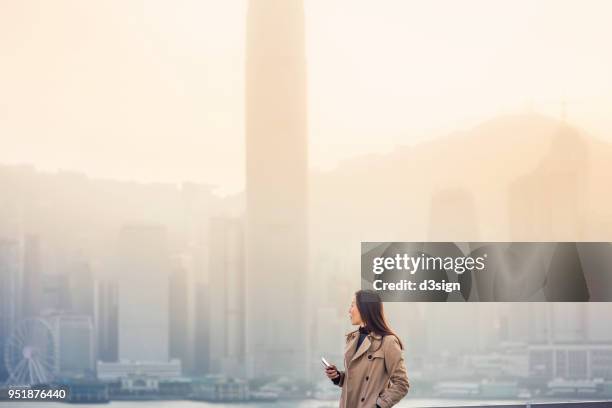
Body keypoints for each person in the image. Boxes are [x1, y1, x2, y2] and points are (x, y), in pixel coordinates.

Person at [324, 289, 409, 408]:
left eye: (352, 305)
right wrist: (338, 377)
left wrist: (378, 405)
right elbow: (356, 381)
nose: (349, 310)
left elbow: (402, 384)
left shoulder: (388, 341)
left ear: (364, 308)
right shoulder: (352, 338)